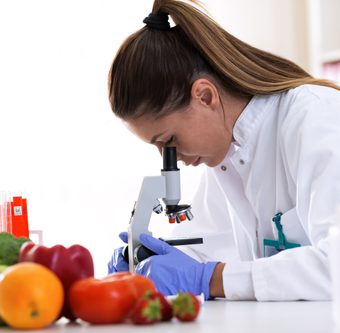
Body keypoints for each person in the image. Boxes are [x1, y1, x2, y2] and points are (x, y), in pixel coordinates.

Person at [107, 0, 340, 301]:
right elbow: (202, 248)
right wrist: (149, 260)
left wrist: (210, 279)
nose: (171, 158)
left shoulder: (317, 117)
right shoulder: (227, 157)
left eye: (170, 141)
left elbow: (334, 265)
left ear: (205, 96)